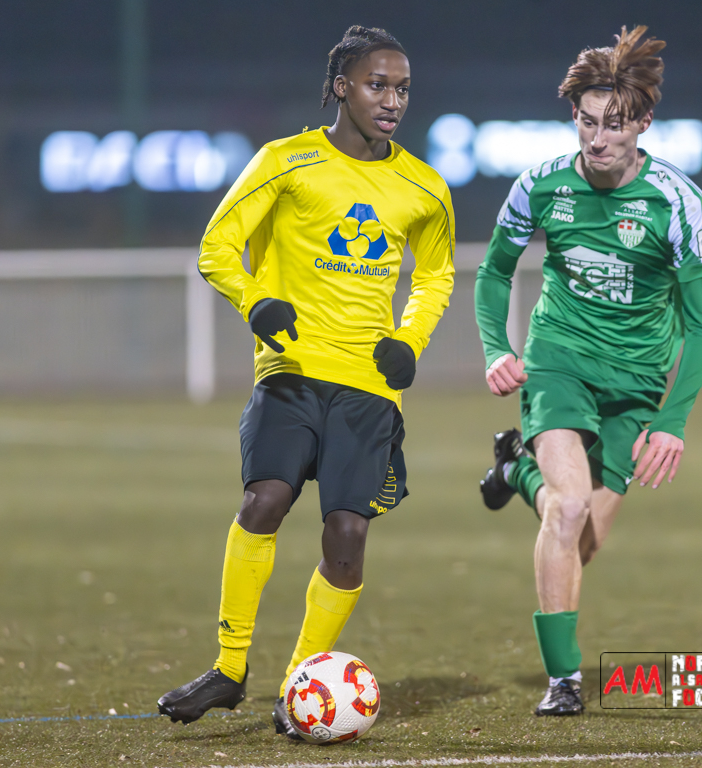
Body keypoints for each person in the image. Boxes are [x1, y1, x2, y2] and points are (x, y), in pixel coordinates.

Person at [156, 25, 455, 739]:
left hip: (367, 386)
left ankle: (299, 685)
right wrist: (256, 302)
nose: (392, 100)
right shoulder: (284, 162)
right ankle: (229, 668)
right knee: (265, 499)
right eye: (378, 85)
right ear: (342, 87)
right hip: (290, 372)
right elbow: (217, 246)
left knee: (347, 534)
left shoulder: (424, 186)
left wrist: (409, 340)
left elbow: (437, 274)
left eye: (402, 88)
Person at [475, 26, 702, 716]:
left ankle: (516, 471)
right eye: (587, 122)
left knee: (581, 541)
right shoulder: (540, 185)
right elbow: (494, 272)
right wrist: (496, 347)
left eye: (614, 125)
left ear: (644, 123)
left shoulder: (679, 202)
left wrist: (671, 422)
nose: (598, 139)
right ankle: (564, 682)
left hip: (637, 384)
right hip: (559, 362)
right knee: (570, 507)